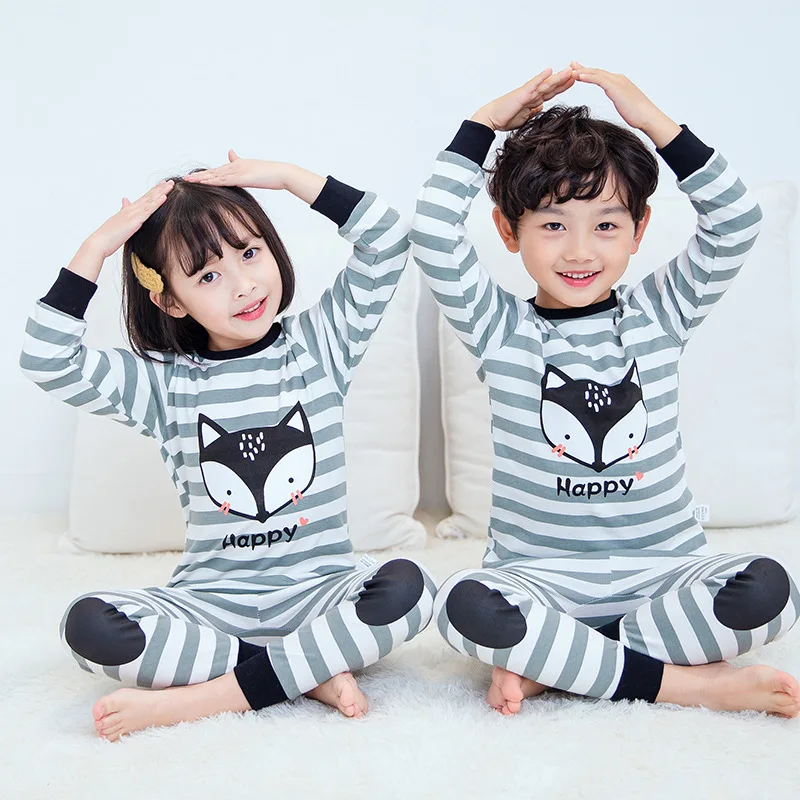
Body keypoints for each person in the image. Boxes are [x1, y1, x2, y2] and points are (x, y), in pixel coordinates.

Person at [410, 64, 799, 717]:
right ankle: (689, 683)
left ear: (639, 231)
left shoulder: (660, 313)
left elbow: (735, 219)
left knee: (772, 590)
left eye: (606, 226)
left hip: (667, 574)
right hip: (538, 581)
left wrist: (652, 120)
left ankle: (561, 664)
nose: (579, 251)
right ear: (509, 231)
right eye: (553, 225)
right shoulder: (500, 328)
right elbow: (431, 231)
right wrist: (484, 123)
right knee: (464, 607)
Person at [20, 153, 435, 741]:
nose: (244, 286)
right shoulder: (162, 384)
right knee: (88, 625)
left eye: (250, 253)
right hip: (210, 607)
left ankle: (205, 698)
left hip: (321, 591)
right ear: (171, 300)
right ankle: (303, 672)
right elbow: (47, 358)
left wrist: (288, 178)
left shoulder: (320, 345)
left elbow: (387, 239)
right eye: (207, 277)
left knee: (413, 588)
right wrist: (97, 248)